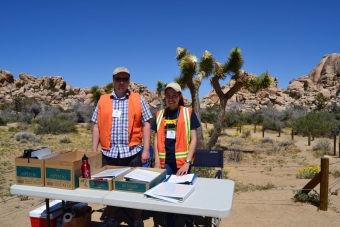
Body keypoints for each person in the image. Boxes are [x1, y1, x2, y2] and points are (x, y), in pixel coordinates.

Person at [91, 67, 152, 227]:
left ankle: (137, 220)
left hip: (132, 153)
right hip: (108, 152)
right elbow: (96, 126)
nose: (122, 82)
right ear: (113, 80)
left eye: (125, 79)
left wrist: (146, 149)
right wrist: (93, 151)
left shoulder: (138, 99)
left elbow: (146, 124)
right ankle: (111, 219)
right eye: (118, 79)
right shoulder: (103, 100)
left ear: (129, 81)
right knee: (109, 187)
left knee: (136, 187)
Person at [152, 82, 201, 227]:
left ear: (180, 96)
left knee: (184, 191)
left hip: (183, 163)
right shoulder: (160, 114)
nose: (171, 98)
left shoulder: (188, 113)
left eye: (174, 95)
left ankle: (189, 219)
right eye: (168, 96)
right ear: (164, 97)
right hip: (165, 161)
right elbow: (155, 139)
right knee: (168, 193)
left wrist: (187, 162)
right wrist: (156, 161)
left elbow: (194, 139)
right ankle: (170, 221)